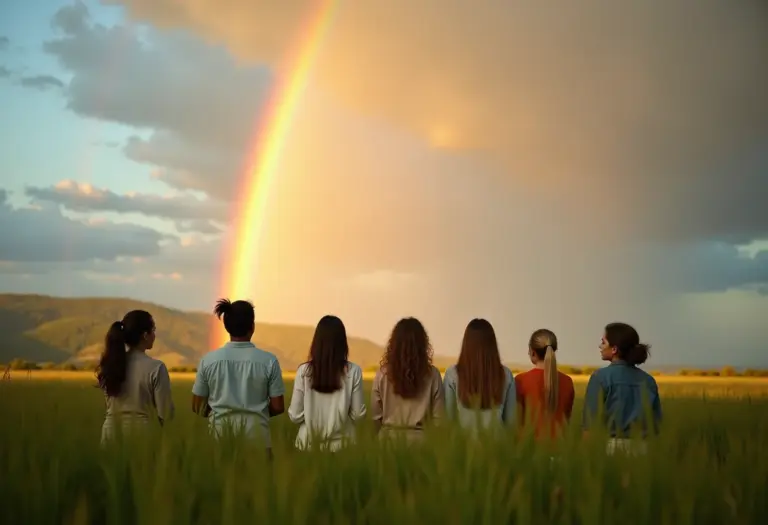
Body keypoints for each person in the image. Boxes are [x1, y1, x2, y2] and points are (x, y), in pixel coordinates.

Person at [192, 299, 285, 454]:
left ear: (226, 327)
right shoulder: (269, 361)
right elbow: (278, 406)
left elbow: (197, 406)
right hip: (259, 441)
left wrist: (219, 413)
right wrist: (255, 414)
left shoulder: (208, 360)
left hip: (219, 439)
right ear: (252, 327)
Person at [288, 315, 366, 451]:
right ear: (343, 343)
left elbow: (295, 415)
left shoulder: (303, 371)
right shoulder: (354, 371)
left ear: (316, 342)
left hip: (307, 446)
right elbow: (358, 415)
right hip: (344, 447)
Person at [582, 322, 662, 455]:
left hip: (610, 450)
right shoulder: (648, 381)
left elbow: (590, 424)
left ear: (614, 349)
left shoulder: (600, 377)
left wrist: (586, 456)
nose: (600, 346)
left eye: (603, 342)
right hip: (643, 450)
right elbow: (656, 425)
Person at [97, 310, 174, 444]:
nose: (155, 335)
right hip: (141, 436)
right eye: (153, 330)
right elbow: (165, 413)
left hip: (109, 435)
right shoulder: (156, 368)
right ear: (145, 335)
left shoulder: (111, 364)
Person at [371, 317, 444, 442]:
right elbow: (439, 420)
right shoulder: (433, 375)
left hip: (387, 444)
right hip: (422, 446)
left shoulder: (382, 375)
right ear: (423, 345)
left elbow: (375, 418)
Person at [443, 319, 516, 432]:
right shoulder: (506, 375)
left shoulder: (452, 374)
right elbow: (511, 423)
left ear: (466, 343)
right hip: (497, 446)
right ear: (492, 344)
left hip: (462, 446)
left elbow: (448, 419)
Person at [515, 329, 575, 439]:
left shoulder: (521, 380)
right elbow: (567, 417)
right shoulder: (567, 381)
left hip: (529, 447)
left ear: (532, 352)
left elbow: (516, 420)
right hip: (561, 448)